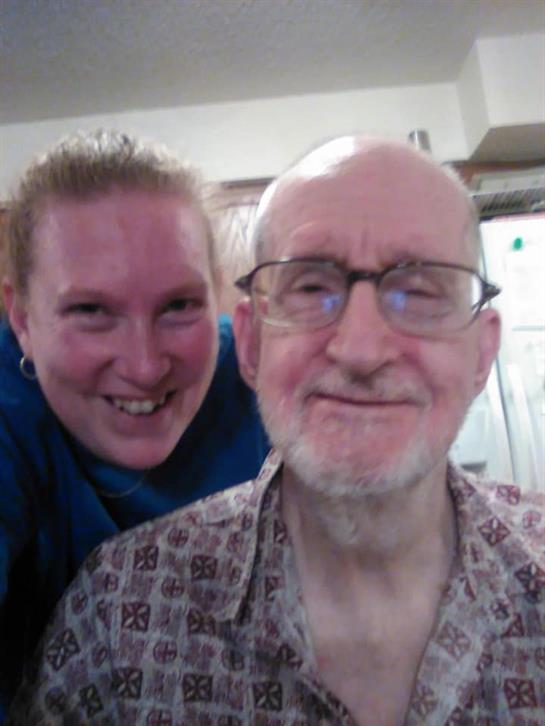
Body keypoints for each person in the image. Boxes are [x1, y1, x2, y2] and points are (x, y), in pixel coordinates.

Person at [7, 136, 545, 725]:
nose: (361, 350)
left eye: (419, 293)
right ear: (252, 343)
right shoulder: (114, 610)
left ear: (482, 351)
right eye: (311, 288)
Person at [0, 129, 269, 720]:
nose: (145, 367)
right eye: (91, 311)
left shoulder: (262, 377)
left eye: (179, 305)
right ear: (22, 319)